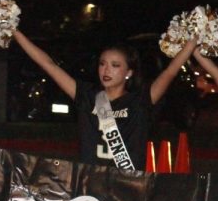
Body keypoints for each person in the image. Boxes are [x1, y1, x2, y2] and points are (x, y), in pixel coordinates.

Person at [12, 31, 197, 170]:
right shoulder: (87, 96)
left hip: (127, 186)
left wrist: (193, 41)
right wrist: (16, 33)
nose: (106, 70)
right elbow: (48, 64)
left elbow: (170, 71)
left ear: (129, 73)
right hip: (92, 184)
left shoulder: (139, 101)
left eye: (115, 65)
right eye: (102, 64)